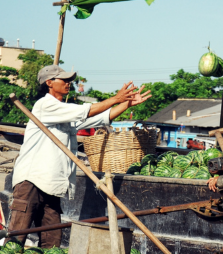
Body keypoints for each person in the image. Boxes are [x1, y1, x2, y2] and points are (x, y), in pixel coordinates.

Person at [6, 65, 152, 247]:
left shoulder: (64, 112)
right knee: (17, 238)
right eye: (64, 80)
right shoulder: (45, 105)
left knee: (52, 243)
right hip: (31, 182)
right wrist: (116, 98)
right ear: (49, 83)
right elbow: (86, 111)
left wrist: (126, 104)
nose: (69, 83)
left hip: (52, 185)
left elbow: (101, 117)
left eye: (69, 80)